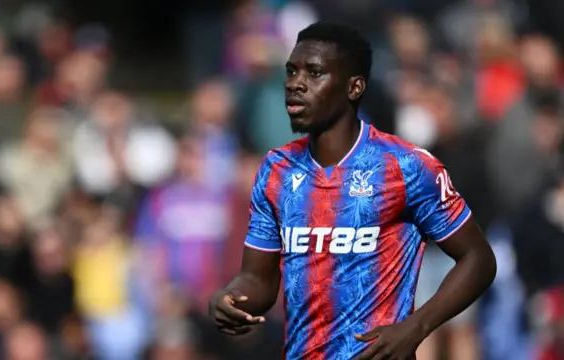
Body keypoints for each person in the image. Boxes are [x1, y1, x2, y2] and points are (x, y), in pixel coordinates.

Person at [208, 22, 497, 360]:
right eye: (291, 71)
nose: (295, 84)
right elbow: (257, 281)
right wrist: (230, 298)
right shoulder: (277, 170)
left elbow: (479, 259)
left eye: (314, 73)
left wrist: (416, 327)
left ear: (354, 87)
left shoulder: (405, 167)